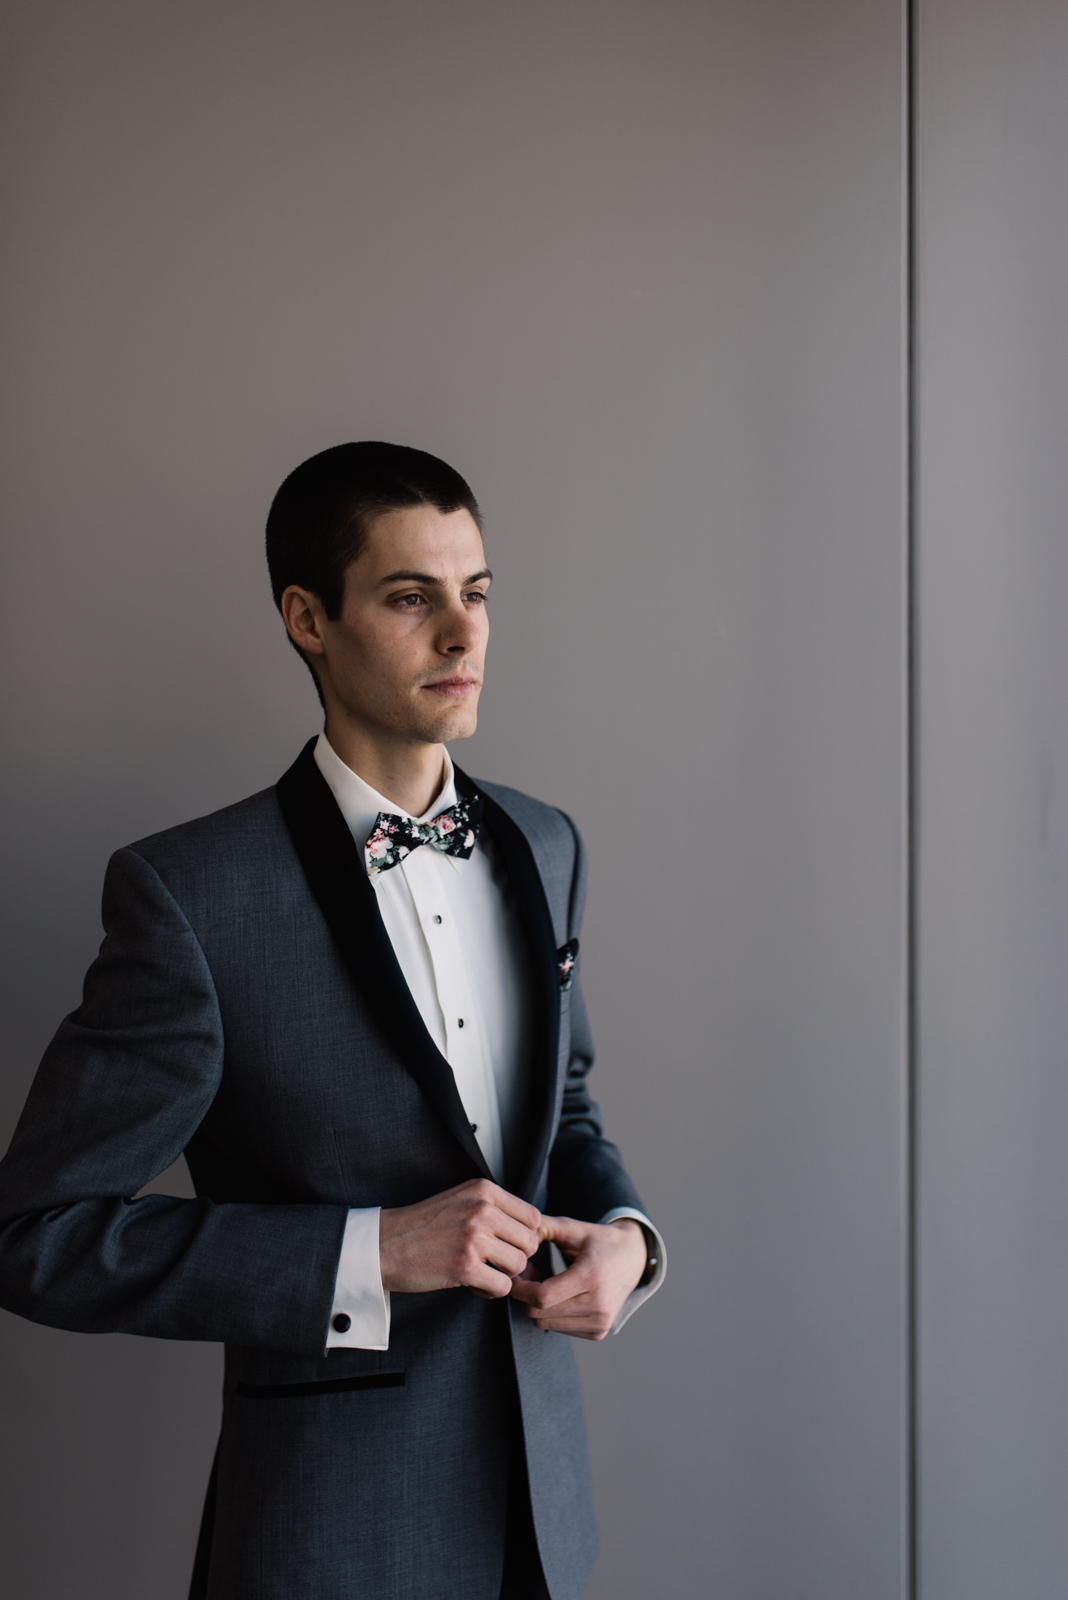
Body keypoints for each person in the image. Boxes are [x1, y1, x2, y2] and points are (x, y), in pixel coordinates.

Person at [0, 441, 664, 1600]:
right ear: (308, 619)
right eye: (413, 598)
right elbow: (38, 1235)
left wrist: (627, 1235)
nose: (464, 636)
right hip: (329, 1543)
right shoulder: (193, 897)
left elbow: (561, 1109)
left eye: (479, 593)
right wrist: (371, 1250)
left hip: (545, 1528)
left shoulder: (543, 842)